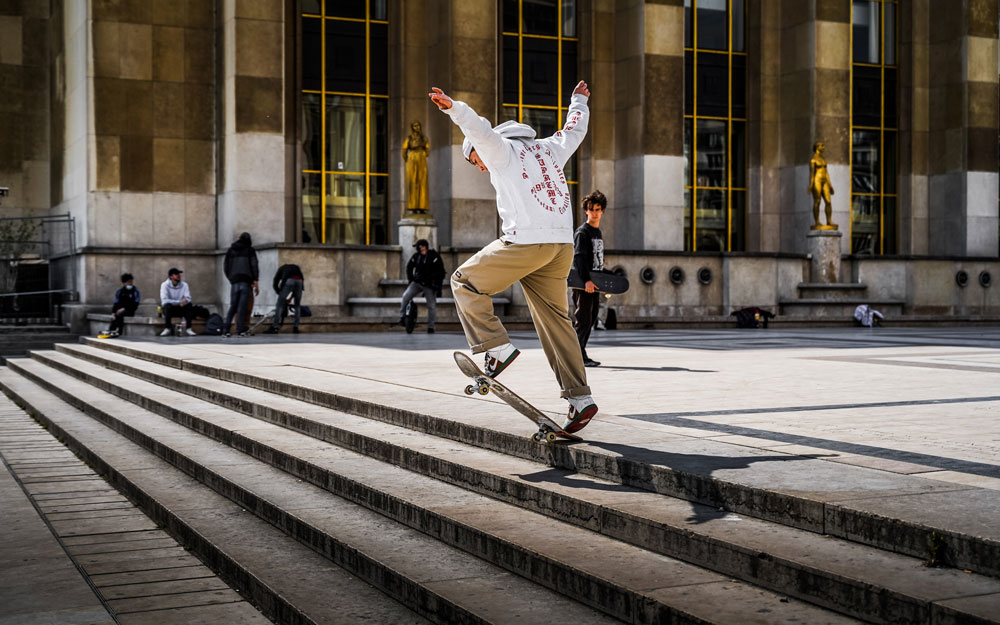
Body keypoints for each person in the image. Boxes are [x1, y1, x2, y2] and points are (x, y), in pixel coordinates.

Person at [429, 79, 599, 434]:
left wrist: (453, 109)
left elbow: (478, 128)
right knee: (556, 320)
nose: (478, 167)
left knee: (464, 281)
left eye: (472, 159)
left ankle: (496, 347)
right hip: (560, 247)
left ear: (477, 150)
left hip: (527, 243)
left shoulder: (499, 149)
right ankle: (580, 398)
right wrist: (578, 101)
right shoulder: (549, 148)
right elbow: (574, 131)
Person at [572, 190, 607, 367]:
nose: (594, 212)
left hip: (595, 283)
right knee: (583, 320)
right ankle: (577, 356)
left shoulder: (597, 232)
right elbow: (578, 258)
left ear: (602, 211)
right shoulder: (582, 232)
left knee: (591, 318)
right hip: (584, 284)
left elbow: (596, 260)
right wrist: (586, 280)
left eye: (597, 209)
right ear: (586, 210)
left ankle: (580, 353)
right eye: (591, 209)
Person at [399, 239, 445, 334]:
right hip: (417, 283)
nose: (418, 249)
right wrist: (411, 279)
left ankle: (431, 327)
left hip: (429, 285)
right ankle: (402, 317)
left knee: (431, 305)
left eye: (419, 247)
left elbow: (441, 272)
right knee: (405, 297)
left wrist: (436, 285)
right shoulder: (417, 257)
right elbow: (409, 267)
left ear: (424, 246)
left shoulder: (433, 256)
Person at [223, 232, 259, 337]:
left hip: (234, 281)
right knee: (242, 307)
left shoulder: (231, 250)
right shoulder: (250, 250)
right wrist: (255, 279)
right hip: (246, 281)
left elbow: (226, 266)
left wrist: (231, 278)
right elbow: (254, 265)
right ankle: (240, 330)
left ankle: (226, 330)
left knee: (233, 306)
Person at [264, 263, 305, 334]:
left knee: (279, 305)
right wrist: (290, 297)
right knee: (297, 305)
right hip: (299, 281)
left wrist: (280, 294)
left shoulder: (281, 269)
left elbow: (275, 282)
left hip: (289, 280)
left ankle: (275, 327)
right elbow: (300, 280)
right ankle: (296, 327)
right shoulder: (296, 267)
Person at [402, 121, 430, 212]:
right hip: (412, 158)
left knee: (422, 181)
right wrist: (407, 158)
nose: (416, 127)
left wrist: (422, 154)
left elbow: (427, 149)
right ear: (412, 127)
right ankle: (412, 206)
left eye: (418, 125)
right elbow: (404, 150)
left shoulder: (423, 138)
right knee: (412, 182)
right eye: (414, 126)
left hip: (421, 158)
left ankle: (422, 207)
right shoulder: (409, 138)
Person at [159, 267, 196, 336]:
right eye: (176, 274)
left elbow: (188, 298)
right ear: (171, 276)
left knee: (189, 305)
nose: (179, 275)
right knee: (167, 306)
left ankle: (188, 328)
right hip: (170, 309)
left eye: (179, 274)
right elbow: (165, 300)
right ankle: (167, 328)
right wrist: (179, 302)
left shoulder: (184, 285)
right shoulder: (164, 285)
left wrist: (185, 301)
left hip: (180, 308)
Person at [809, 141, 837, 229]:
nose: (823, 147)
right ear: (817, 147)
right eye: (822, 146)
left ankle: (829, 220)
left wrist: (830, 185)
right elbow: (812, 173)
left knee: (828, 201)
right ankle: (817, 221)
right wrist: (811, 184)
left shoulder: (823, 160)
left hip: (825, 181)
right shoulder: (813, 160)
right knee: (817, 201)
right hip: (817, 180)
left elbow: (827, 173)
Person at [105, 272, 140, 337]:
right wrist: (113, 312)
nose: (130, 283)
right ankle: (111, 331)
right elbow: (116, 302)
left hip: (129, 311)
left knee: (119, 315)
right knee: (115, 316)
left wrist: (124, 309)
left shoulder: (135, 291)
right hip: (119, 310)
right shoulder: (120, 291)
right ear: (124, 283)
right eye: (129, 282)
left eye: (131, 281)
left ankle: (119, 331)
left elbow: (135, 304)